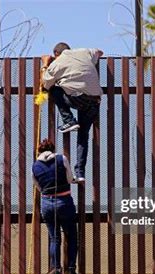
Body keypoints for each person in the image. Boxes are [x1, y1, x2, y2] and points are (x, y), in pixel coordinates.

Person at [41, 42, 103, 183]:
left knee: (55, 89)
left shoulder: (58, 62)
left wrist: (46, 63)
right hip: (94, 101)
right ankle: (79, 173)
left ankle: (69, 120)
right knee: (83, 137)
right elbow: (100, 52)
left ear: (56, 54)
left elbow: (45, 84)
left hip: (78, 98)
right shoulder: (85, 51)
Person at [32, 138, 79, 274]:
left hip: (47, 203)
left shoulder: (35, 166)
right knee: (71, 236)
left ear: (39, 151)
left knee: (54, 238)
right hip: (64, 201)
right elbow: (70, 178)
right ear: (52, 149)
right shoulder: (61, 159)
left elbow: (38, 186)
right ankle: (70, 270)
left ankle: (55, 269)